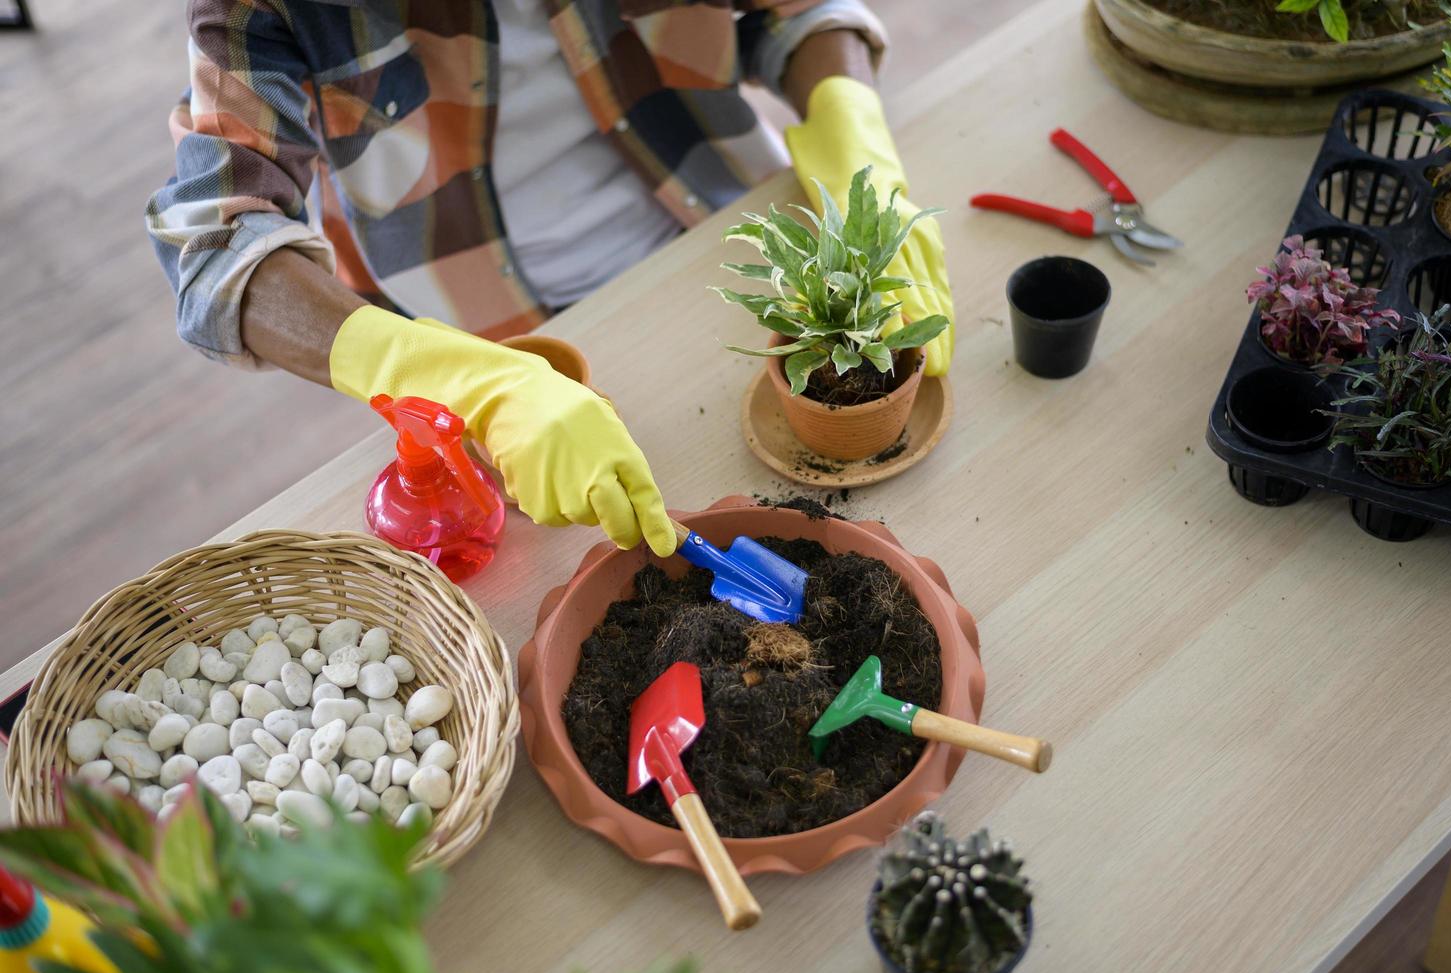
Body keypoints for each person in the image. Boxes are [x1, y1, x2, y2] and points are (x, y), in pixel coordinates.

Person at [147, 0, 955, 558]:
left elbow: (795, 16)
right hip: (488, 332)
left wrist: (859, 147)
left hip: (727, 240)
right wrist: (448, 375)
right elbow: (214, 247)